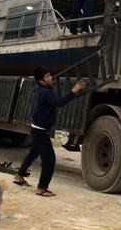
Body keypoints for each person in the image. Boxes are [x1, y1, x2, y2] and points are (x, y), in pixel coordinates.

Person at [13, 67, 86, 197]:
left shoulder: (39, 90)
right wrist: (73, 91)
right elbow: (59, 103)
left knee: (33, 153)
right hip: (41, 131)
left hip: (36, 128)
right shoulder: (46, 93)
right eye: (47, 76)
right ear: (41, 80)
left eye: (50, 75)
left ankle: (19, 176)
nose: (51, 78)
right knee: (49, 160)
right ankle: (42, 188)